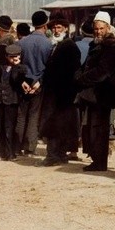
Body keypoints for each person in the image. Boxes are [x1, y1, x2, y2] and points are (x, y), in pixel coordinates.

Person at [74, 11, 115, 171]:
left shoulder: (112, 46)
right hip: (93, 94)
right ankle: (97, 159)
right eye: (96, 29)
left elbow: (103, 71)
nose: (98, 32)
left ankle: (100, 162)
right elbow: (88, 65)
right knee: (92, 128)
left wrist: (82, 79)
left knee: (99, 129)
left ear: (108, 28)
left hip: (103, 94)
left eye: (101, 29)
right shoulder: (96, 44)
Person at [39, 15, 81, 166]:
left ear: (65, 29)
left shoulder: (69, 46)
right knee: (59, 125)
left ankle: (53, 156)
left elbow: (72, 71)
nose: (56, 30)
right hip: (56, 93)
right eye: (54, 28)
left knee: (56, 125)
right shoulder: (56, 45)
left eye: (59, 28)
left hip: (62, 93)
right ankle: (59, 155)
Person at [16, 10, 53, 157]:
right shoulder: (48, 44)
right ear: (45, 25)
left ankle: (17, 146)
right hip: (39, 83)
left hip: (23, 82)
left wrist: (23, 81)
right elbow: (49, 67)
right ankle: (30, 148)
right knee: (34, 116)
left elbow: (17, 65)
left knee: (21, 115)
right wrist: (39, 82)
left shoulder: (22, 42)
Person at [0, 43, 27, 161]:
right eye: (10, 57)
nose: (12, 59)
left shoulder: (21, 68)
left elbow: (16, 79)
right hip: (0, 100)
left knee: (10, 127)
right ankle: (0, 152)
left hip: (12, 101)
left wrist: (16, 65)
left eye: (15, 56)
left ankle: (11, 153)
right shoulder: (0, 68)